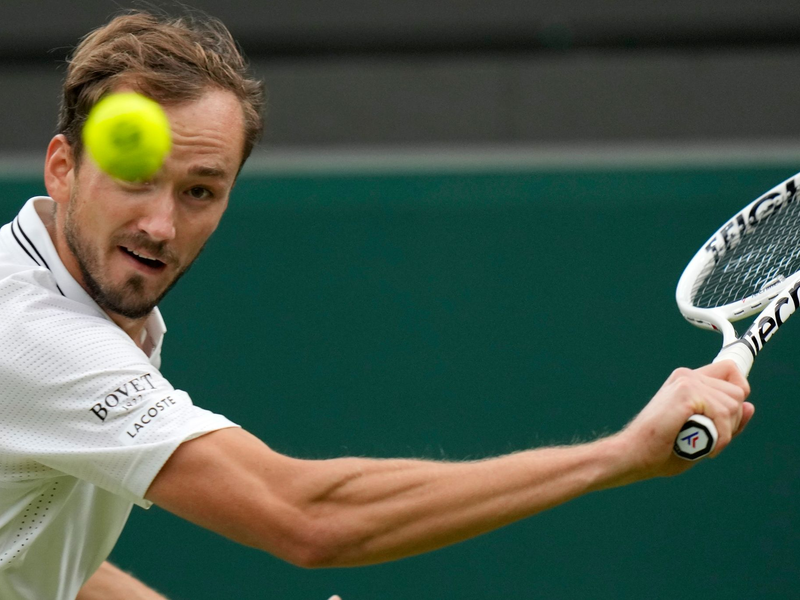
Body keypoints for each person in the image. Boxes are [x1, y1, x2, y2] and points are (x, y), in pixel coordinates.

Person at [0, 9, 753, 600]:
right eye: (137, 178)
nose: (162, 225)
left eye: (200, 191)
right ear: (62, 169)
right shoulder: (34, 336)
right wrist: (620, 456)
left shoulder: (86, 308)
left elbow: (40, 558)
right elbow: (307, 517)